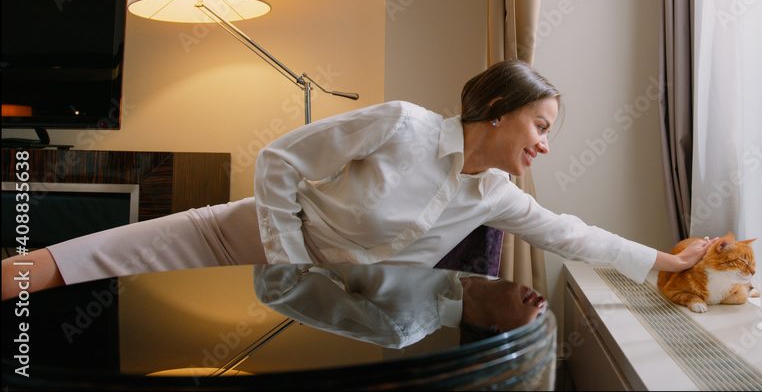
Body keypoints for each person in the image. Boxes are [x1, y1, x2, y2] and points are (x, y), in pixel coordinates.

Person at [2, 59, 712, 332]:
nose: (546, 145)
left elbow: (575, 233)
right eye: (541, 125)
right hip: (236, 237)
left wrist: (668, 264)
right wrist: (286, 259)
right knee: (55, 267)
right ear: (498, 107)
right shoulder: (401, 124)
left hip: (322, 309)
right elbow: (280, 160)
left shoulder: (494, 194)